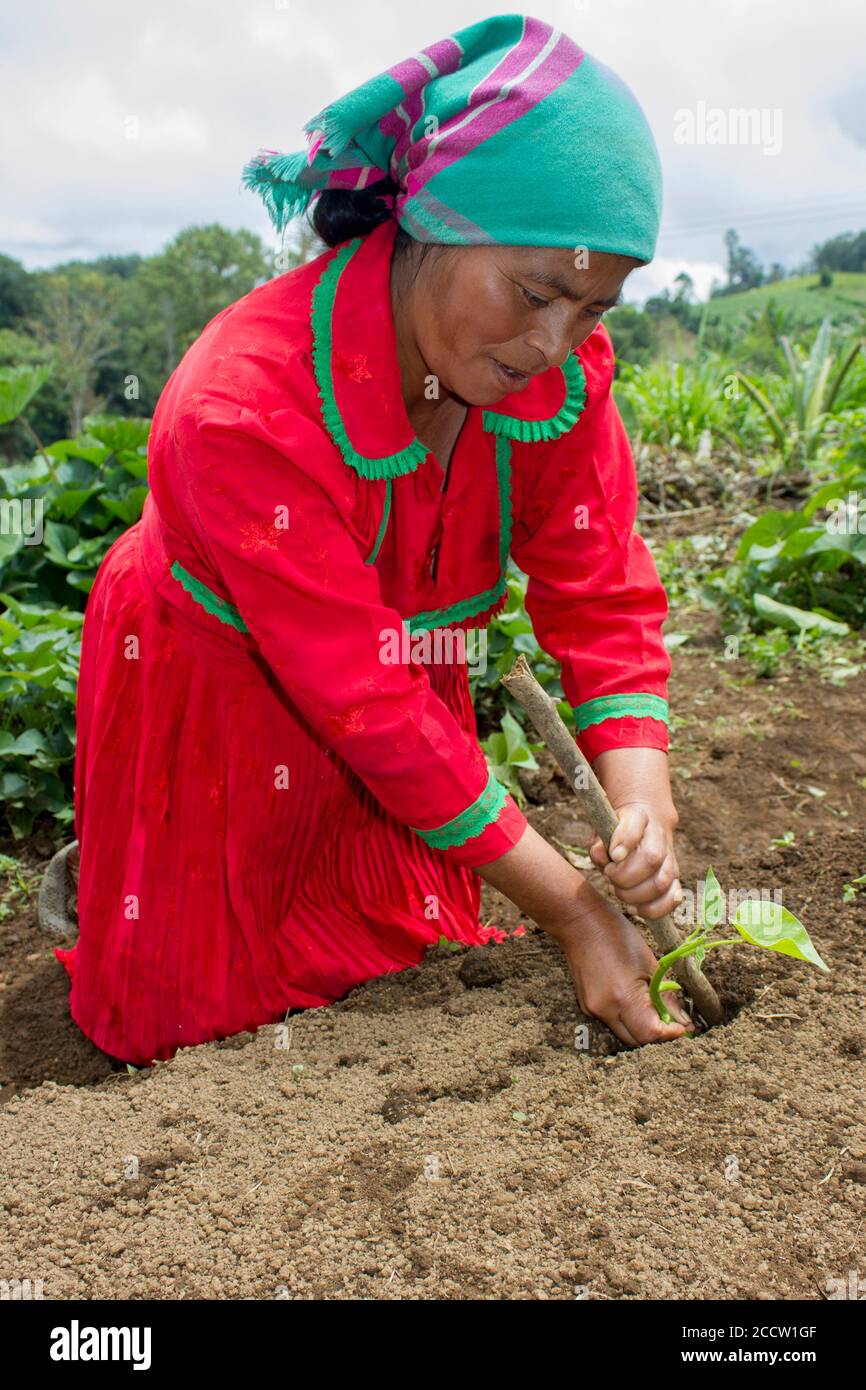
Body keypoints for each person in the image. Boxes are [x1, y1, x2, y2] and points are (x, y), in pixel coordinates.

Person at [56, 12, 693, 1065]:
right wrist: (577, 913)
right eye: (532, 292)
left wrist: (641, 801)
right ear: (431, 226)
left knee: (400, 960)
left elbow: (601, 593)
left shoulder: (561, 385)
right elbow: (359, 696)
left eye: (590, 308)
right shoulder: (241, 409)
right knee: (198, 1022)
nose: (551, 343)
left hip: (401, 703)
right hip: (224, 687)